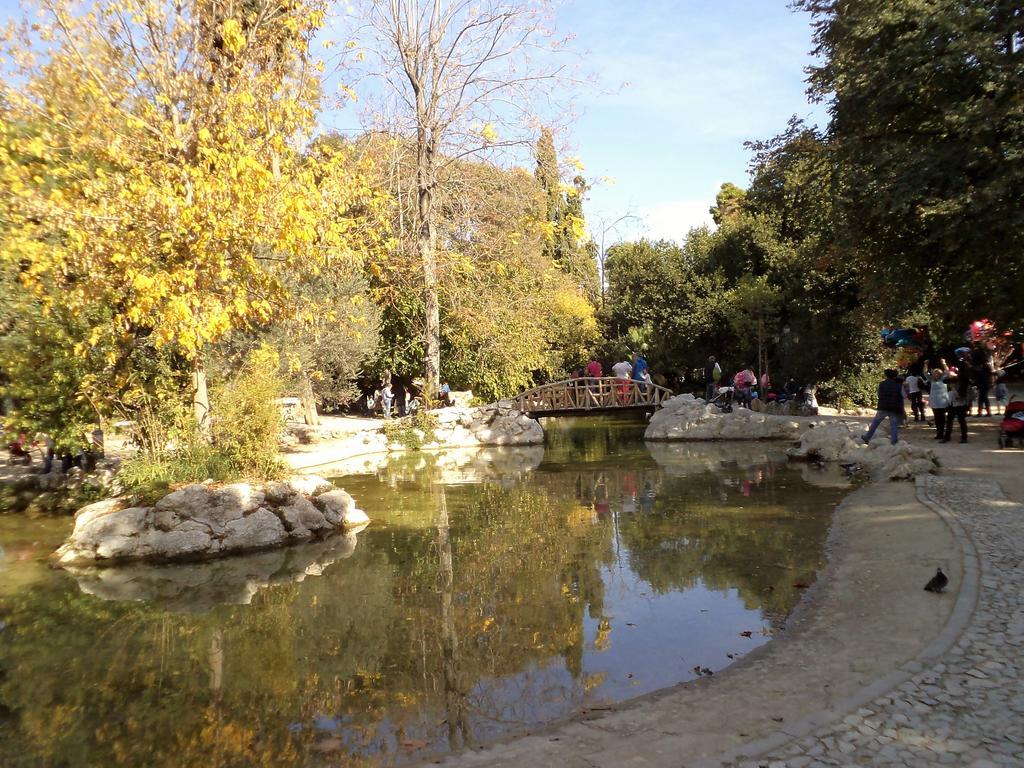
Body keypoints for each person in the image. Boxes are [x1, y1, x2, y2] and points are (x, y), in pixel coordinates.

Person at [862, 369, 906, 445]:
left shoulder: (882, 384)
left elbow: (879, 394)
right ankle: (894, 441)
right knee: (894, 425)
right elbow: (904, 396)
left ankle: (867, 436)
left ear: (886, 375)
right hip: (894, 407)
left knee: (875, 422)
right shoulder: (899, 385)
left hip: (883, 406)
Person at [944, 371, 970, 443]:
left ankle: (964, 438)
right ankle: (947, 437)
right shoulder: (951, 389)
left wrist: (953, 389)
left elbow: (959, 397)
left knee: (961, 421)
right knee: (949, 422)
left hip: (960, 406)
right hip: (952, 406)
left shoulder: (963, 388)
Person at [927, 364, 951, 440]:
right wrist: (925, 364)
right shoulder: (931, 380)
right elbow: (925, 373)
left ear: (940, 374)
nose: (936, 375)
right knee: (937, 418)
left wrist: (944, 364)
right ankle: (939, 433)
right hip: (934, 402)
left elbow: (947, 372)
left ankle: (942, 433)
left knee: (942, 418)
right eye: (934, 373)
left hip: (943, 402)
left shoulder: (943, 379)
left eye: (937, 373)